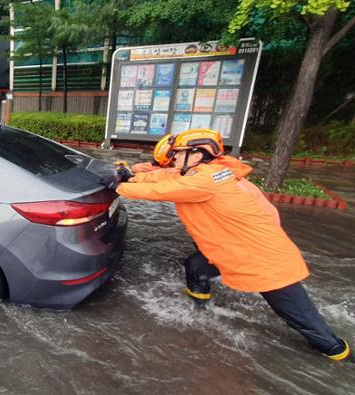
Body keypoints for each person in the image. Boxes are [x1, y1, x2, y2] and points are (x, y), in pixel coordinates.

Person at [113, 128, 351, 361]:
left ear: (196, 155)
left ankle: (338, 352)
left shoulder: (203, 181)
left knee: (301, 319)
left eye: (178, 153)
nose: (174, 158)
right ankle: (201, 307)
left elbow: (161, 189)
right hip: (232, 250)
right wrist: (133, 176)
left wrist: (117, 187)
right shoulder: (206, 172)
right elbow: (166, 176)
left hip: (263, 258)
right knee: (196, 266)